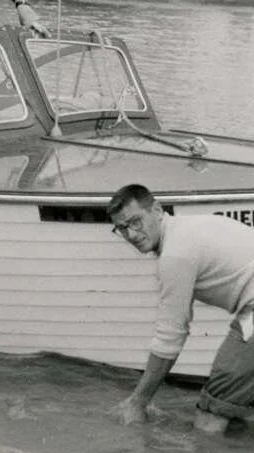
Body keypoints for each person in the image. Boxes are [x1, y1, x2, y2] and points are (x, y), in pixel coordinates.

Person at [107, 184, 254, 434]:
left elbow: (171, 336)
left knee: (210, 416)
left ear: (157, 210)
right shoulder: (189, 229)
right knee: (240, 415)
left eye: (135, 222)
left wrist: (138, 402)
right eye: (122, 228)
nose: (131, 235)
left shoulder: (175, 254)